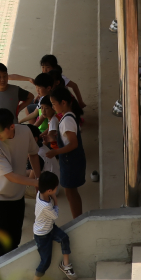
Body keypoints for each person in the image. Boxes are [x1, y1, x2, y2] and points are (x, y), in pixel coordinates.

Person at [0, 108, 40, 259]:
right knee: (0, 244)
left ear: (11, 127)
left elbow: (33, 154)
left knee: (15, 239)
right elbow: (10, 176)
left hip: (17, 196)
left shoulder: (25, 132)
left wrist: (38, 180)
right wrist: (36, 183)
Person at [45, 88, 86, 218]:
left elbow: (73, 144)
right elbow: (66, 136)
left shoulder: (67, 120)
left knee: (70, 192)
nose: (52, 107)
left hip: (71, 162)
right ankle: (78, 218)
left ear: (63, 102)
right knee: (71, 192)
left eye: (53, 103)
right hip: (72, 161)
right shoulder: (68, 116)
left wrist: (55, 152)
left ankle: (77, 219)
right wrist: (54, 137)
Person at [32, 171, 77, 280]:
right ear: (49, 191)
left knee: (64, 238)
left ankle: (65, 265)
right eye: (56, 187)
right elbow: (55, 215)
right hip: (42, 235)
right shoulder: (46, 206)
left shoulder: (40, 194)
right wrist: (55, 200)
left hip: (50, 228)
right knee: (45, 261)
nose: (57, 188)